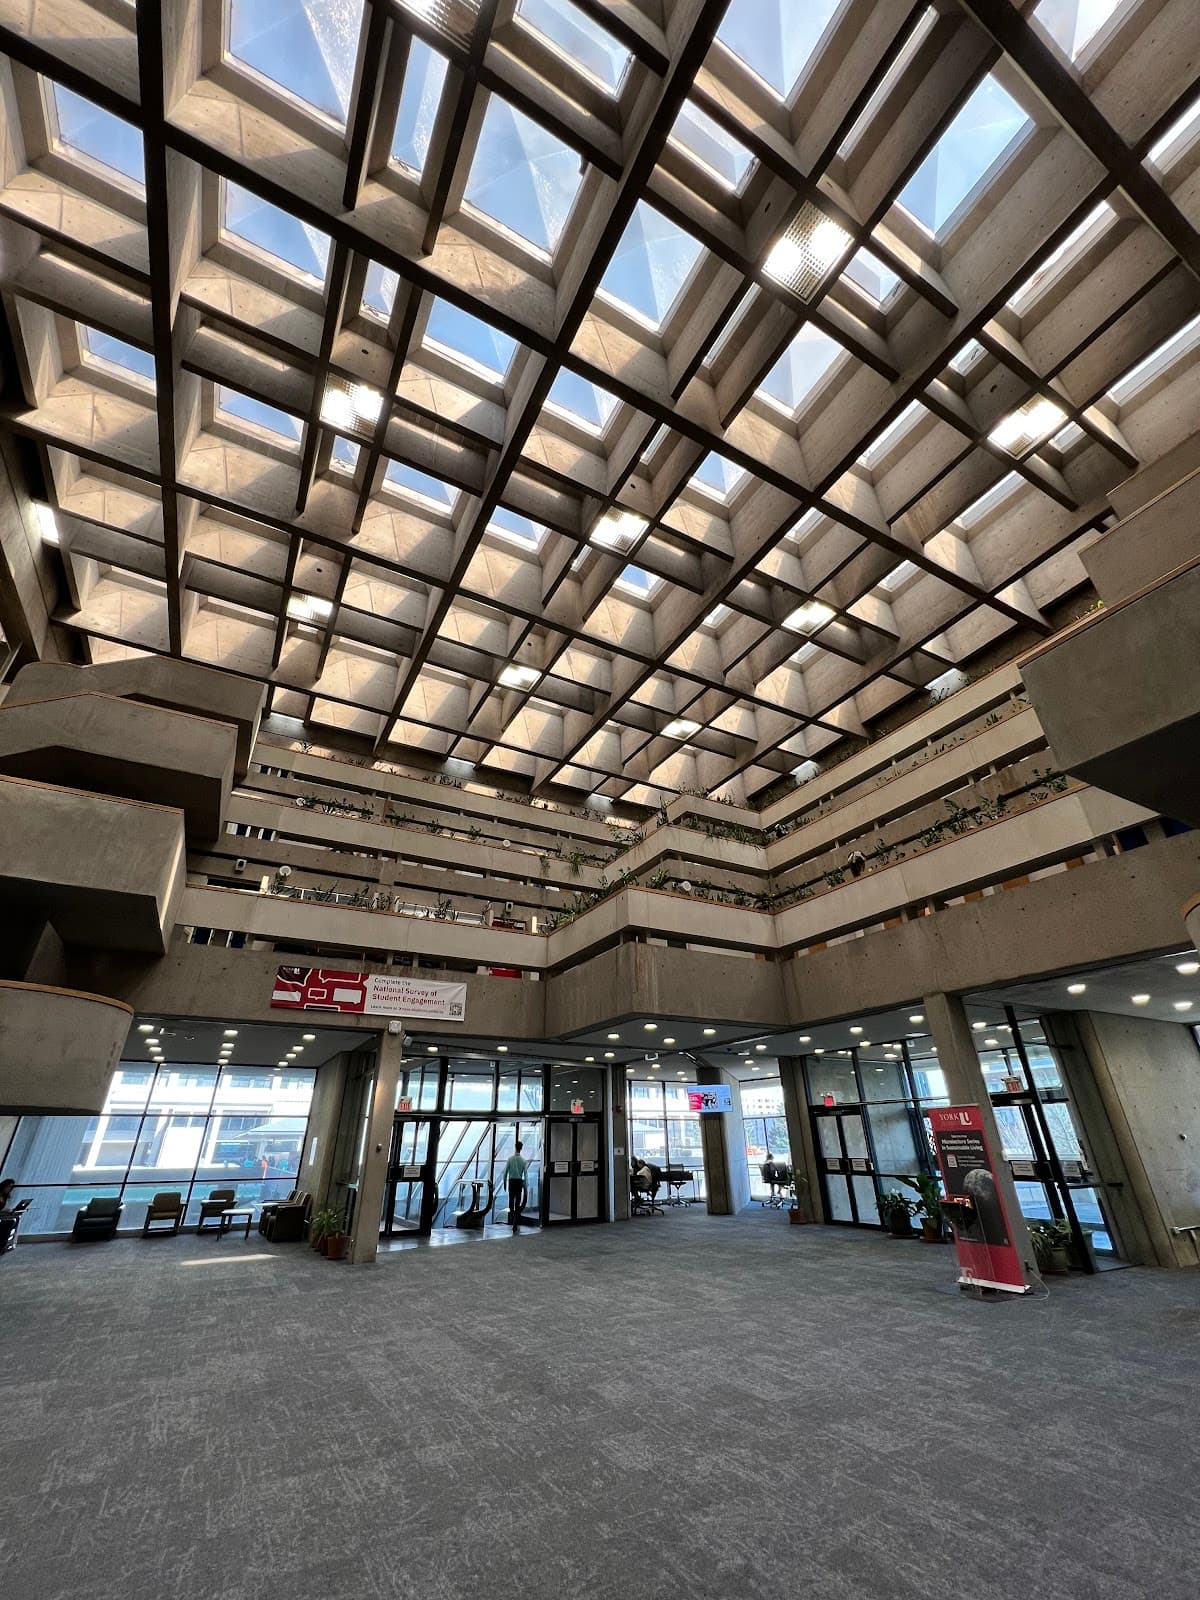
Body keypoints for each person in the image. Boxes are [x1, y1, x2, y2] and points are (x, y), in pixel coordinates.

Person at [503, 1141, 528, 1229]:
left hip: (511, 1182)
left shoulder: (510, 1159)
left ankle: (512, 1216)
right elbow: (526, 1174)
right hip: (519, 1182)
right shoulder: (523, 1161)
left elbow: (505, 1173)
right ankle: (515, 1222)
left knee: (511, 1200)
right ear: (521, 1148)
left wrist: (504, 1183)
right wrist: (526, 1186)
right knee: (517, 1202)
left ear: (515, 1147)